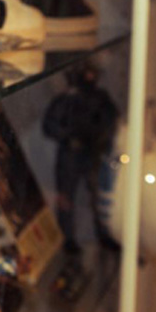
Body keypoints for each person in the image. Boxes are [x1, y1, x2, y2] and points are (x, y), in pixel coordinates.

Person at [43, 62, 120, 254]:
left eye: (93, 73)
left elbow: (111, 120)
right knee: (66, 198)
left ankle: (104, 235)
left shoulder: (100, 98)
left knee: (98, 196)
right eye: (87, 73)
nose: (90, 77)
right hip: (71, 152)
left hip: (92, 152)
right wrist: (69, 136)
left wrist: (101, 139)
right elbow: (50, 126)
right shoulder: (67, 99)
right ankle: (67, 238)